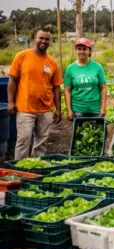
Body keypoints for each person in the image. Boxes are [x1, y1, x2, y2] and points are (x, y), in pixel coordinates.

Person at [7, 28, 62, 160]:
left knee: (41, 143)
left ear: (50, 41)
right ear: (35, 39)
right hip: (25, 108)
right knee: (23, 141)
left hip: (46, 110)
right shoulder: (22, 56)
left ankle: (35, 169)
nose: (43, 41)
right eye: (41, 38)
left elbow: (56, 87)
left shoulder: (52, 62)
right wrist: (10, 102)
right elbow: (12, 81)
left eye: (47, 39)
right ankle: (19, 171)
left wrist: (58, 109)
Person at [64, 38, 107, 120]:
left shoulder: (97, 67)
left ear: (89, 51)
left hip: (95, 108)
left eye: (84, 49)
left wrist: (103, 107)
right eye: (79, 49)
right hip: (78, 109)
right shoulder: (70, 68)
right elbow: (67, 91)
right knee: (80, 132)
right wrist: (69, 110)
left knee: (99, 131)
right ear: (76, 50)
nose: (81, 51)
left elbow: (103, 88)